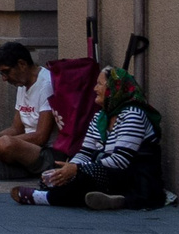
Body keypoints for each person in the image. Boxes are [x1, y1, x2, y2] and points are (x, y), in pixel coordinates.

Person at [14, 66, 161, 210]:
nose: (95, 89)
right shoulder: (100, 116)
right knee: (55, 177)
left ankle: (46, 198)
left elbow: (120, 161)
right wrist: (66, 170)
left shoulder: (133, 115)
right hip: (105, 172)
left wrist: (77, 169)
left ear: (114, 88)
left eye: (99, 84)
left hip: (133, 177)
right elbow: (85, 152)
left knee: (86, 175)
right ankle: (113, 199)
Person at [0, 41, 59, 176]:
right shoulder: (22, 85)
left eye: (6, 72)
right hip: (26, 146)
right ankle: (19, 169)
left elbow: (41, 137)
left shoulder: (46, 84)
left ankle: (23, 170)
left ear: (22, 64)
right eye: (1, 74)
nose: (4, 78)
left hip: (46, 151)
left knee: (4, 145)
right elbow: (17, 128)